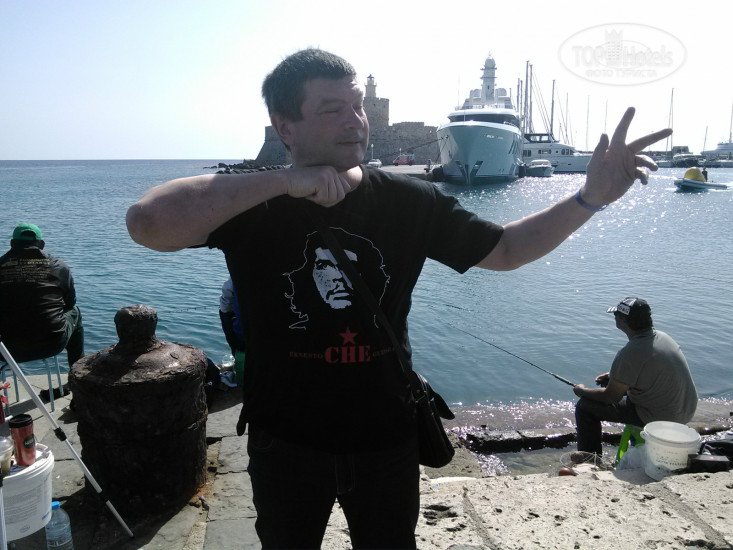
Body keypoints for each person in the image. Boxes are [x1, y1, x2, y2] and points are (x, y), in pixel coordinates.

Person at [126, 49, 672, 549]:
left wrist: (589, 198)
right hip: (285, 442)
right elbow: (147, 222)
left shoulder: (408, 201)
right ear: (284, 126)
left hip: (386, 438)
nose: (355, 120)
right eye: (332, 109)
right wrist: (285, 182)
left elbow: (506, 249)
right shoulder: (250, 205)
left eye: (358, 106)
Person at [573, 297, 698, 456]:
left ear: (623, 321)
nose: (615, 318)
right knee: (620, 389)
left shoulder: (629, 353)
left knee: (584, 407)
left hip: (660, 417)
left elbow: (610, 397)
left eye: (616, 315)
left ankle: (590, 459)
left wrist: (581, 391)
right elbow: (650, 369)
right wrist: (614, 376)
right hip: (685, 410)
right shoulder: (663, 337)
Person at [0, 223, 84, 367]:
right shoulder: (59, 266)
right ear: (42, 244)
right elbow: (70, 303)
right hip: (52, 344)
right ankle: (77, 371)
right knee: (75, 312)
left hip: (6, 350)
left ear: (12, 243)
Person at [219, 277, 245, 356]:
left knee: (224, 312)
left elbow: (225, 303)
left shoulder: (238, 274)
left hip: (243, 333)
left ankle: (237, 351)